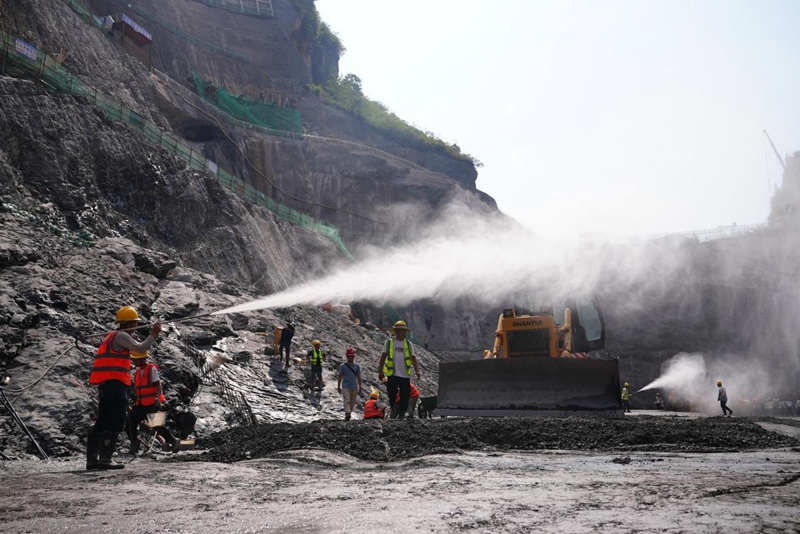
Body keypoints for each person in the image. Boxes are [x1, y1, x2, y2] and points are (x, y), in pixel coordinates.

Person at [87, 306, 161, 470]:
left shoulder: (111, 336)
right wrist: (153, 334)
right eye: (135, 323)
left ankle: (93, 460)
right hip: (115, 385)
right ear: (131, 323)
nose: (136, 326)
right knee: (117, 419)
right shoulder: (121, 336)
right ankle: (105, 459)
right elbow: (141, 349)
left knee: (103, 420)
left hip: (105, 386)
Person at [126, 351, 180, 454]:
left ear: (142, 359)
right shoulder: (137, 372)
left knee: (157, 426)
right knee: (129, 423)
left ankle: (173, 440)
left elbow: (158, 384)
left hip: (151, 403)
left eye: (135, 359)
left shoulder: (151, 369)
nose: (133, 361)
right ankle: (135, 444)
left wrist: (157, 398)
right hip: (140, 403)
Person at [378, 321, 421, 420]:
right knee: (391, 392)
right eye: (402, 331)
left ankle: (401, 413)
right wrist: (380, 371)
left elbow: (413, 358)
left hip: (405, 374)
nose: (403, 333)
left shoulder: (408, 344)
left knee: (405, 395)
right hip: (392, 373)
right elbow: (383, 356)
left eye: (404, 331)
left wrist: (417, 370)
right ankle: (393, 406)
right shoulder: (389, 343)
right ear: (396, 331)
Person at [337, 348, 362, 421]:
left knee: (352, 402)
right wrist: (338, 386)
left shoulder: (357, 366)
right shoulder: (343, 366)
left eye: (353, 356)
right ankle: (347, 413)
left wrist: (360, 386)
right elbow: (340, 376)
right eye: (351, 356)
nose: (352, 357)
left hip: (354, 387)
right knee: (346, 399)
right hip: (346, 386)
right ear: (347, 356)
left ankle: (348, 414)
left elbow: (359, 376)